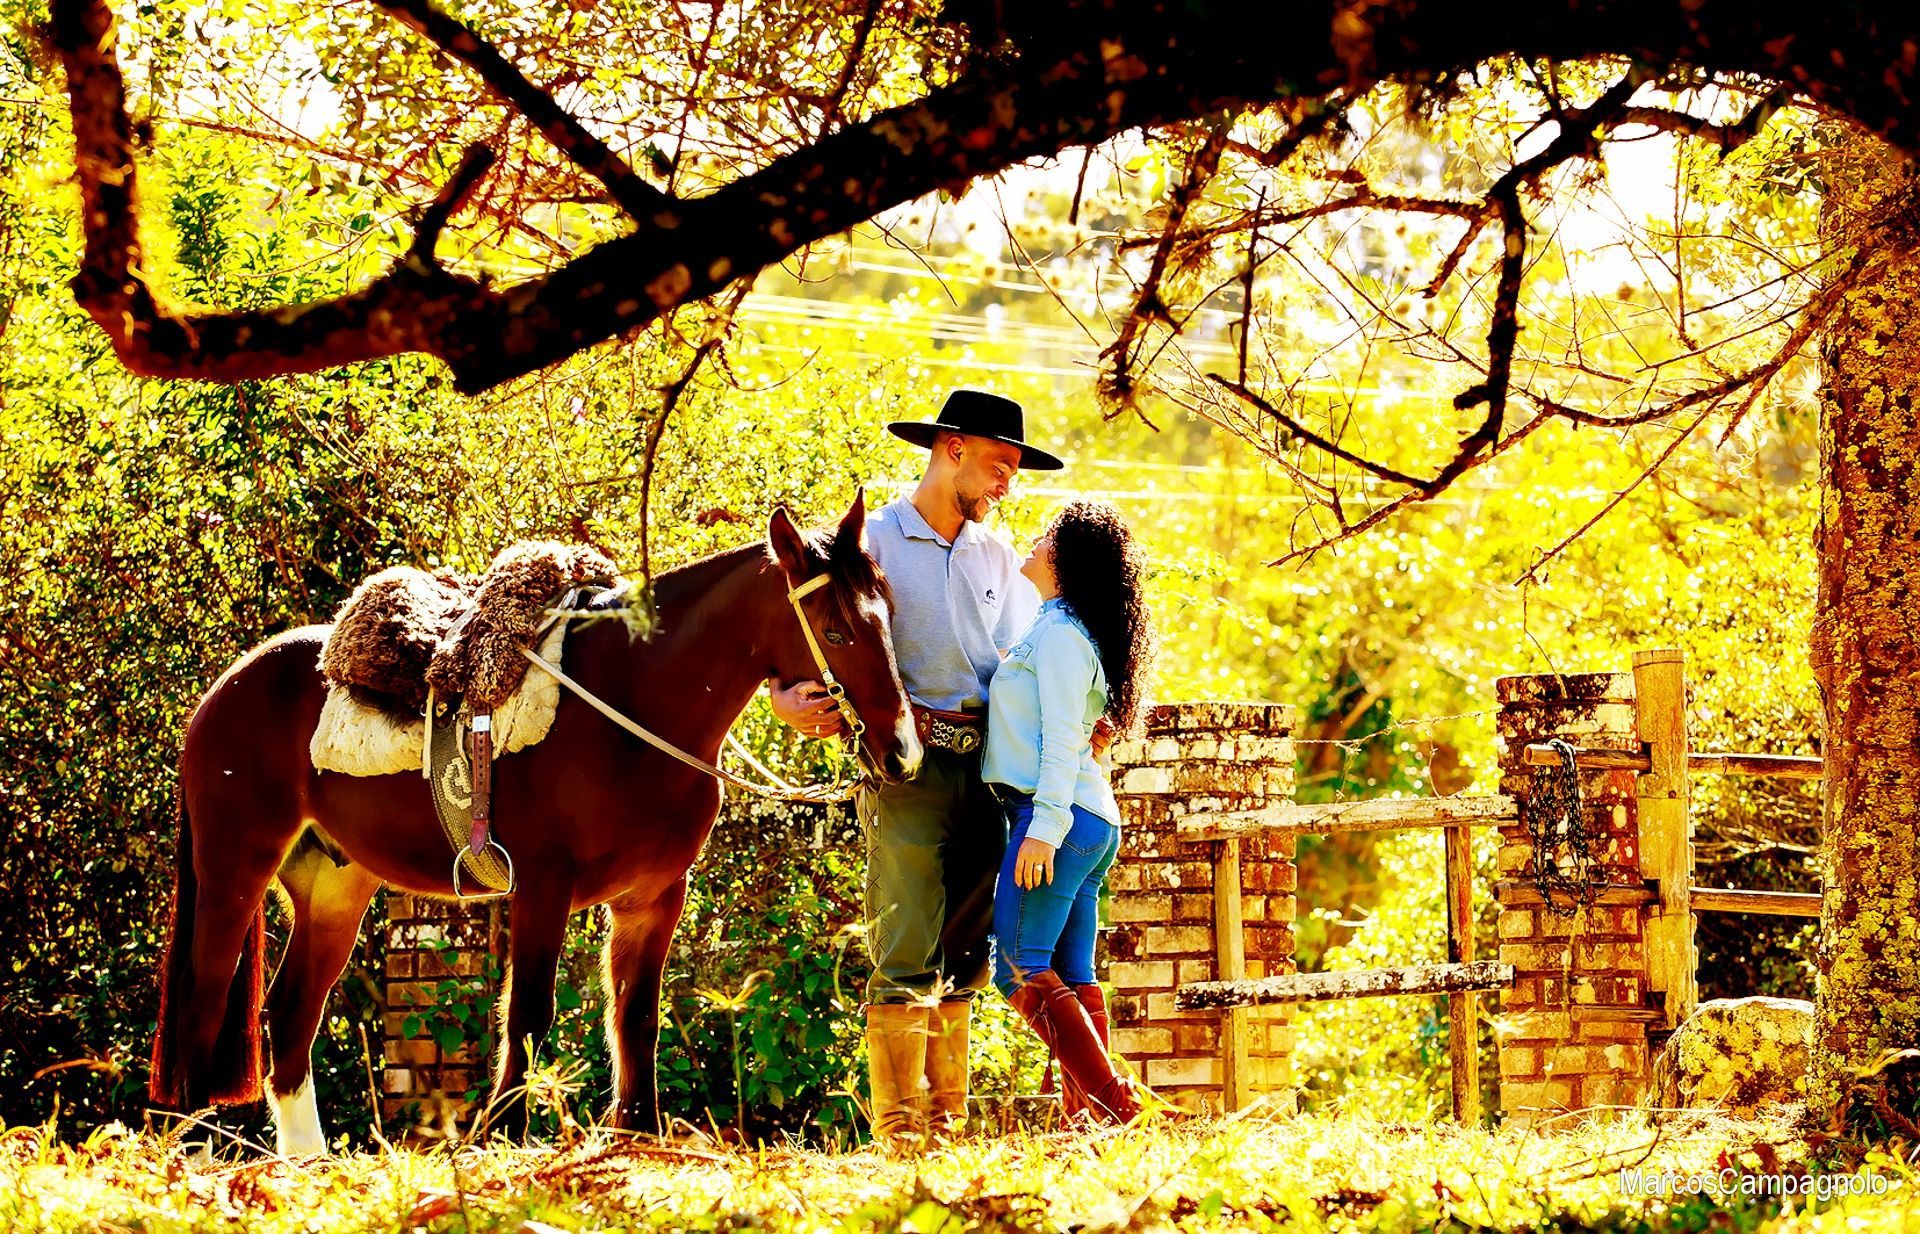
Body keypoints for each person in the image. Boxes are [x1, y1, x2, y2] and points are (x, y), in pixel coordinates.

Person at [768, 389, 1063, 1149]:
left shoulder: (999, 556)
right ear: (952, 449)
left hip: (987, 771)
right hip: (905, 769)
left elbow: (1015, 669)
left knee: (968, 955)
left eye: (1015, 472)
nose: (1008, 484)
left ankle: (949, 1133)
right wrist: (782, 698)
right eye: (1000, 466)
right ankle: (900, 1138)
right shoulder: (870, 543)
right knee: (903, 949)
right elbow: (806, 635)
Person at [983, 499, 1155, 1125]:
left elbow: (1060, 740)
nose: (1035, 539)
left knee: (1016, 967)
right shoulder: (1058, 627)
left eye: (1048, 534)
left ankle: (1116, 1109)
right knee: (1073, 972)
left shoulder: (1058, 636)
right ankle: (1087, 1125)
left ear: (1066, 557)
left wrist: (1043, 831)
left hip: (1058, 817)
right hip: (1089, 821)